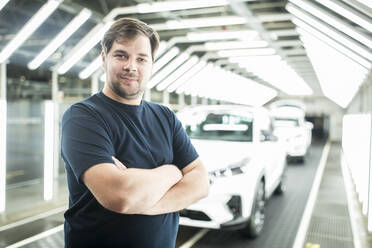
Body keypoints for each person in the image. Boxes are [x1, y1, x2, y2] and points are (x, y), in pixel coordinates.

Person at [61, 17, 210, 248]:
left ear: (151, 65)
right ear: (104, 59)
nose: (131, 65)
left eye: (141, 59)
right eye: (121, 55)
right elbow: (120, 196)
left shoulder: (166, 117)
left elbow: (201, 183)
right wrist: (173, 172)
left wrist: (144, 204)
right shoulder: (83, 116)